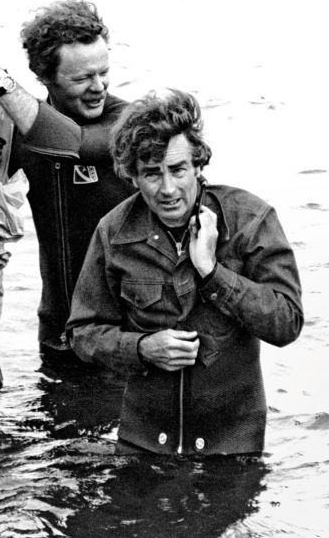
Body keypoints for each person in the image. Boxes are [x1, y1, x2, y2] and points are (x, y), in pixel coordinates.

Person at [66, 89, 303, 455]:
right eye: (151, 173)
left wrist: (212, 273)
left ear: (198, 166)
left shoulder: (250, 220)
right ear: (133, 177)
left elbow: (287, 323)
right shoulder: (114, 231)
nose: (167, 189)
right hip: (143, 443)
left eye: (177, 170)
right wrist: (141, 349)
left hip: (231, 448)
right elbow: (82, 333)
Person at [0, 0, 135, 356]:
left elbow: (74, 144)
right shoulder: (21, 131)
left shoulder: (128, 121)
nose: (99, 86)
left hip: (125, 329)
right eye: (82, 78)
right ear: (45, 76)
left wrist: (0, 82)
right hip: (57, 327)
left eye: (103, 72)